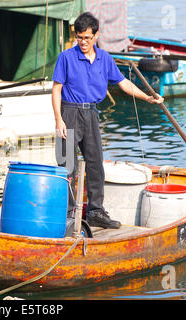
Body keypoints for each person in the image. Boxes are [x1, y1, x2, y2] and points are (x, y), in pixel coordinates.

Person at [52, 12, 164, 229]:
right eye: (79, 38)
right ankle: (66, 215)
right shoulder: (65, 57)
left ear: (96, 35)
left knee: (95, 165)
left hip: (92, 114)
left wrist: (147, 97)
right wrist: (58, 119)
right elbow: (56, 90)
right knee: (66, 166)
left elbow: (123, 84)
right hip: (69, 113)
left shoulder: (105, 59)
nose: (83, 42)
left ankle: (95, 212)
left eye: (87, 38)